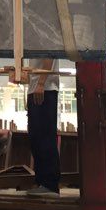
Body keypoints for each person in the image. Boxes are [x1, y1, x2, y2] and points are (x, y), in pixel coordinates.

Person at [25, 58, 60, 196]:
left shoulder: (45, 40)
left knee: (45, 137)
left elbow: (49, 56)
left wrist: (40, 83)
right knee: (35, 137)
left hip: (46, 88)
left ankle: (50, 184)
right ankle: (41, 182)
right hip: (35, 89)